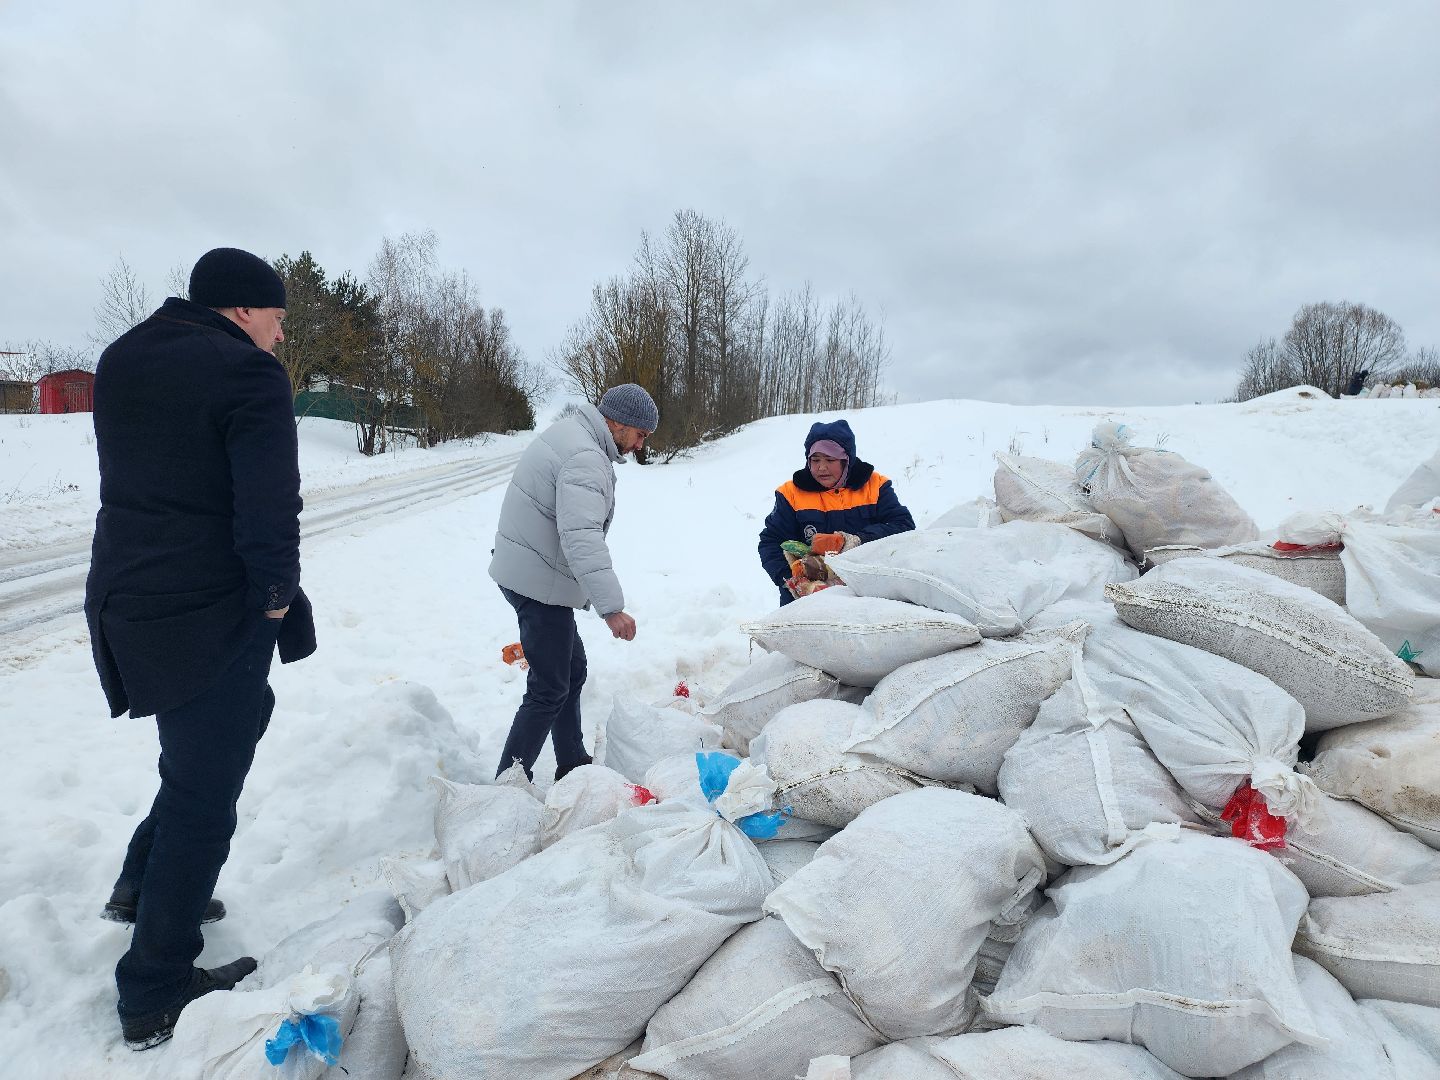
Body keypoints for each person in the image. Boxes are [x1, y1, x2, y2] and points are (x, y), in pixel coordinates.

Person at [85, 247, 317, 1050]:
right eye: (279, 319)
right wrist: (279, 598)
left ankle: (139, 885)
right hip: (207, 611)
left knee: (226, 732)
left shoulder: (123, 358)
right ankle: (155, 987)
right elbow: (267, 504)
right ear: (245, 309)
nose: (282, 336)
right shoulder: (247, 375)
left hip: (124, 601)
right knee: (204, 796)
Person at [488, 384, 657, 780]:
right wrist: (611, 608)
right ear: (617, 422)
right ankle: (506, 785)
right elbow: (581, 535)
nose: (639, 444)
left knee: (571, 670)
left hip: (530, 569)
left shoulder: (574, 435)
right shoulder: (585, 456)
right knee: (549, 688)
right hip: (536, 579)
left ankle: (572, 761)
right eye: (640, 434)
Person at [758, 418, 916, 604]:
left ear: (846, 460)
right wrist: (790, 581)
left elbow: (903, 526)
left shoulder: (876, 486)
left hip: (866, 592)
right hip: (808, 599)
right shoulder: (790, 493)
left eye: (830, 459)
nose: (821, 467)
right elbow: (771, 541)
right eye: (815, 460)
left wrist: (853, 540)